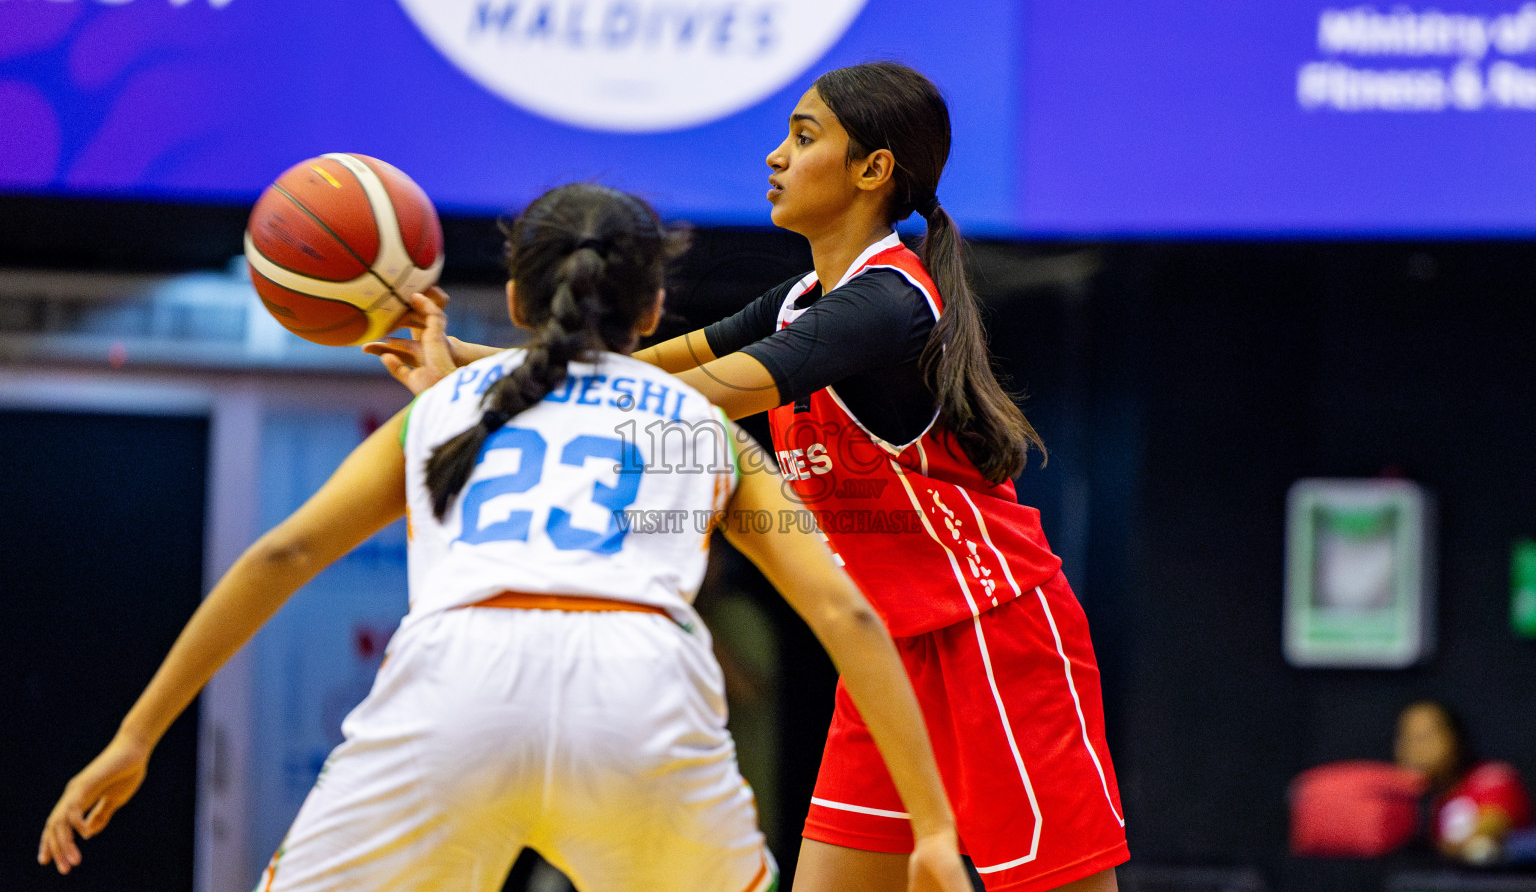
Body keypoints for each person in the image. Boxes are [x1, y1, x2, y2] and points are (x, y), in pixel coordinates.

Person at [38, 184, 973, 892]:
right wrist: (932, 827)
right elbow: (843, 610)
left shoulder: (446, 409)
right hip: (639, 695)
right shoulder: (701, 424)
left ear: (520, 304)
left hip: (456, 685)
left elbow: (281, 556)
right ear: (652, 315)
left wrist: (135, 736)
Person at [371, 63, 1128, 892]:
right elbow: (621, 366)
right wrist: (458, 361)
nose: (775, 157)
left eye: (804, 138)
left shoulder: (884, 305)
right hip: (889, 651)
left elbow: (674, 398)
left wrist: (477, 384)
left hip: (992, 631)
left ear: (874, 169)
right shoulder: (799, 297)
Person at [1395, 699, 1534, 865]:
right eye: (1407, 737)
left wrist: (1453, 845)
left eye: (1425, 737)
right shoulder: (1407, 801)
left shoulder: (1492, 778)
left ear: (1455, 738)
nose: (1415, 749)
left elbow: (1492, 824)